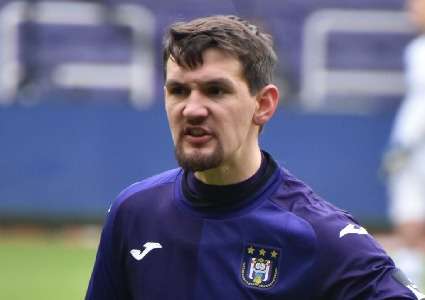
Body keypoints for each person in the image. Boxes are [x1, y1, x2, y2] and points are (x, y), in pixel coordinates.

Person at [86, 15, 424, 299]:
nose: (192, 108)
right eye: (178, 90)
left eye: (216, 90)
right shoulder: (133, 212)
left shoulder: (320, 235)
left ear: (263, 104)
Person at [382, 0, 425, 286]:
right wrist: (402, 144)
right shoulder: (416, 49)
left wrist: (408, 142)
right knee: (408, 206)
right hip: (410, 146)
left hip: (417, 144)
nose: (411, 9)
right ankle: (410, 277)